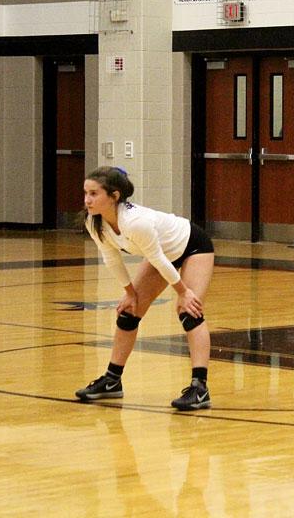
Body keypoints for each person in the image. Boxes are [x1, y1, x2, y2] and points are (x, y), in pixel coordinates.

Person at [75, 166, 215, 411]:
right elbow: (111, 258)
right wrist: (129, 293)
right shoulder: (93, 221)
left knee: (188, 311)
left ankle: (200, 388)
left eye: (94, 194)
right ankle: (112, 381)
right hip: (164, 255)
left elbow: (160, 260)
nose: (87, 200)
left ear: (114, 196)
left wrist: (183, 292)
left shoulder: (135, 222)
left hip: (193, 245)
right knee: (130, 311)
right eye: (86, 193)